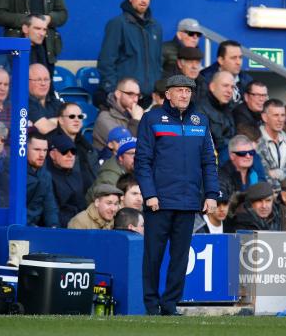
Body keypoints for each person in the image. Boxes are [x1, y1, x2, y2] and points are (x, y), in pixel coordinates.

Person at [135, 74, 218, 316]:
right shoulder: (151, 119)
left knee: (180, 258)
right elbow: (142, 161)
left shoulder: (200, 121)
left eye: (188, 91)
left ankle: (170, 305)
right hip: (158, 203)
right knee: (153, 257)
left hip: (189, 201)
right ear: (167, 94)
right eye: (179, 90)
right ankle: (151, 306)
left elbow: (208, 163)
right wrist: (150, 194)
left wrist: (211, 194)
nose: (184, 94)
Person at [97, 0, 162, 107]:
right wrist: (114, 92)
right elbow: (106, 62)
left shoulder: (156, 27)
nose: (144, 0)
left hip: (149, 100)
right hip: (125, 99)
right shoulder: (118, 24)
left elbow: (158, 62)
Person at [47, 102, 99, 194]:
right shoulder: (51, 143)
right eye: (72, 116)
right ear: (61, 120)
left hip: (93, 197)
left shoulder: (86, 145)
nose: (77, 120)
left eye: (80, 117)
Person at [93, 78, 143, 151]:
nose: (135, 100)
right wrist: (136, 121)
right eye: (131, 94)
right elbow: (125, 147)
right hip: (111, 161)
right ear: (118, 94)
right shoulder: (104, 117)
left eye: (138, 95)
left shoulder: (136, 114)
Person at [46, 134, 85, 227]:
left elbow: (83, 207)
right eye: (64, 151)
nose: (70, 155)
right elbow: (51, 212)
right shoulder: (47, 177)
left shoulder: (77, 175)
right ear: (52, 154)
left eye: (73, 151)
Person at [197, 71, 235, 162]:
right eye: (225, 86)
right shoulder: (199, 110)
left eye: (232, 87)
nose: (229, 90)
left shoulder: (229, 108)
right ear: (212, 87)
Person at [201, 40, 253, 105]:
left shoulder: (247, 80)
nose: (238, 62)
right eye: (233, 58)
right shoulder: (204, 79)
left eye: (240, 57)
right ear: (221, 60)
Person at [85, 136, 136, 204]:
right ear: (121, 157)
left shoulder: (134, 169)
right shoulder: (109, 178)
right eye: (132, 154)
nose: (137, 158)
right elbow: (109, 207)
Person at [26, 132, 59, 227]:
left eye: (45, 150)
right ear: (25, 149)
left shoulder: (45, 175)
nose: (42, 155)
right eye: (37, 150)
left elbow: (50, 207)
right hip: (15, 228)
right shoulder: (11, 172)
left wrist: (54, 227)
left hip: (35, 228)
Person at [28, 63, 62, 134]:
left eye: (46, 79)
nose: (43, 83)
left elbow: (73, 124)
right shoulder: (25, 103)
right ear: (27, 81)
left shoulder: (55, 102)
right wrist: (60, 122)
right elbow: (45, 129)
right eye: (38, 80)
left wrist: (51, 122)